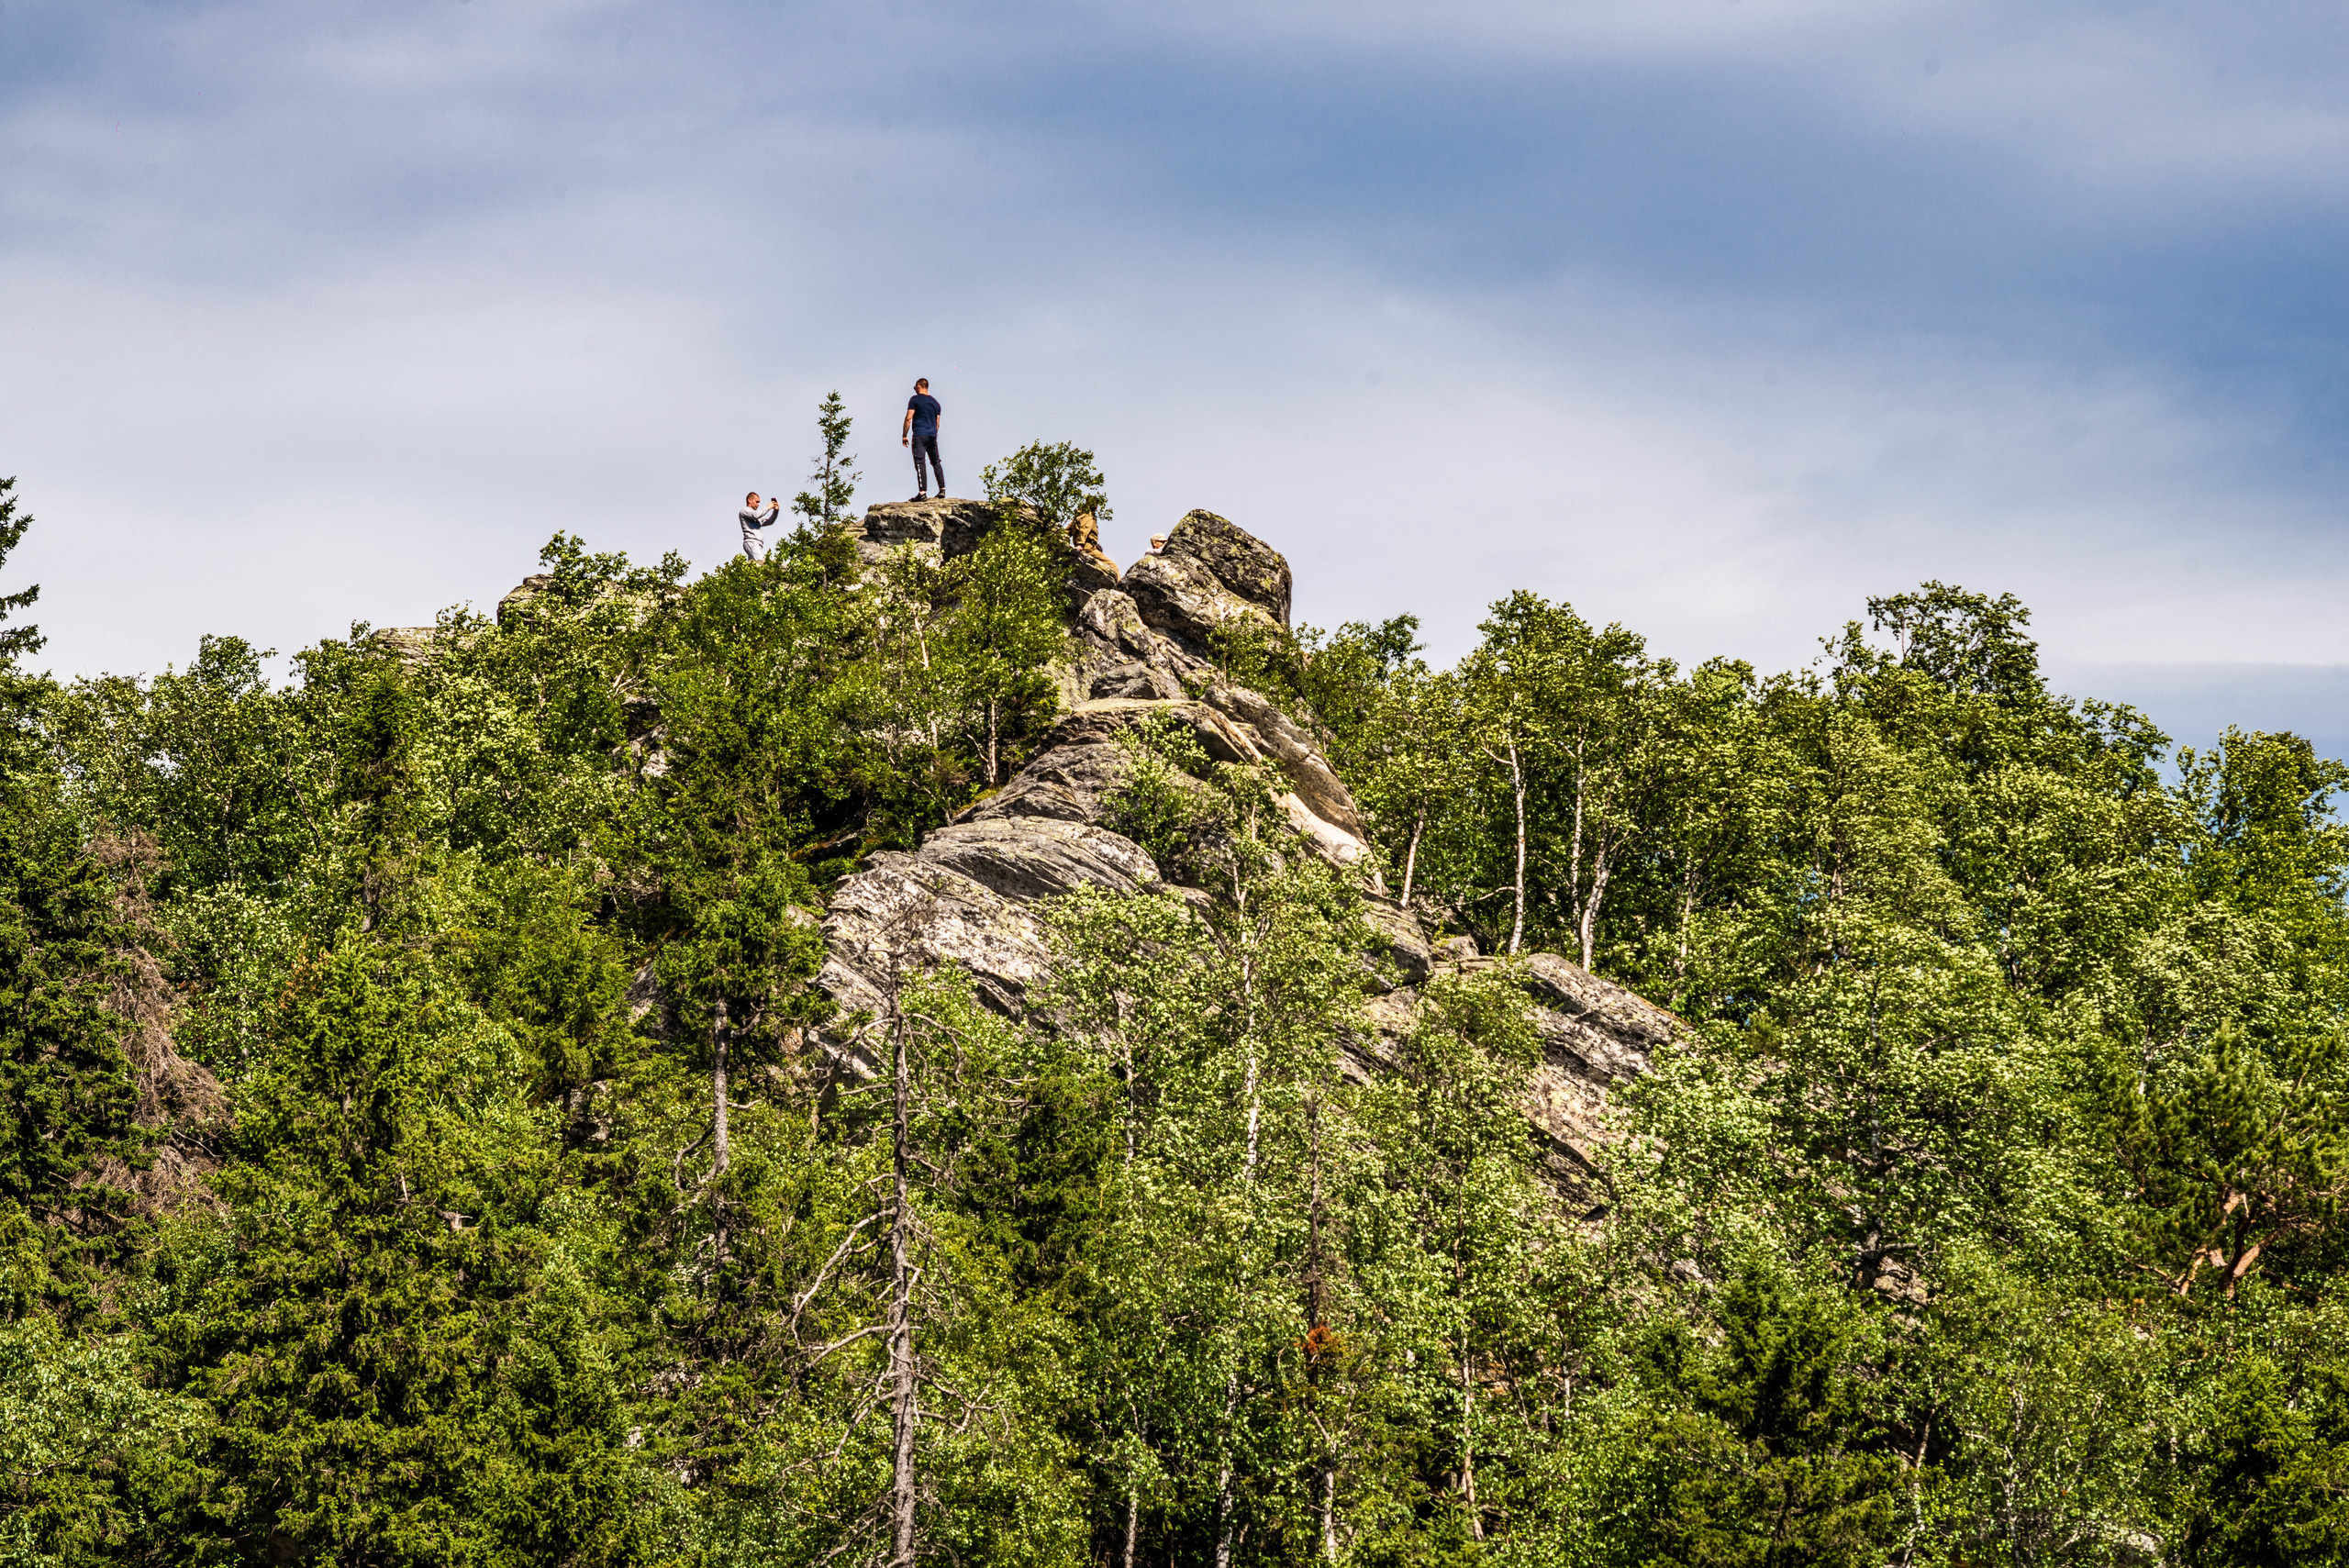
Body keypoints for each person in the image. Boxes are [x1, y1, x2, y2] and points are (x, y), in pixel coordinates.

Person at [901, 378, 943, 499]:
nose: (915, 389)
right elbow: (937, 422)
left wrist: (904, 435)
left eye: (915, 387)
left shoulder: (914, 400)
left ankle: (922, 493)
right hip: (932, 435)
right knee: (936, 462)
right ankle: (942, 489)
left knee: (920, 462)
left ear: (919, 386)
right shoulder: (936, 403)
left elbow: (909, 418)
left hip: (920, 434)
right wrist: (933, 433)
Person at [739, 491, 780, 562]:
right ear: (749, 500)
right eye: (757, 502)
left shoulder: (757, 518)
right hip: (751, 542)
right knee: (762, 565)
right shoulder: (745, 510)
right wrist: (768, 507)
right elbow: (755, 515)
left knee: (754, 568)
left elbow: (770, 521)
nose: (758, 504)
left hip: (757, 544)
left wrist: (776, 512)